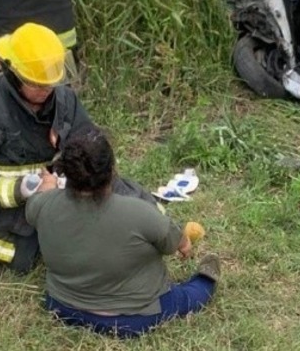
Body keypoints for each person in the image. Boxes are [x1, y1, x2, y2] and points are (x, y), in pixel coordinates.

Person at [0, 23, 156, 273]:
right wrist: (26, 188)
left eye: (51, 83)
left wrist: (76, 163)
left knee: (131, 199)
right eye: (38, 85)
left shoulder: (62, 98)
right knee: (54, 246)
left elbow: (90, 143)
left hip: (50, 194)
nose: (48, 91)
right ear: (13, 75)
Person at [26, 124, 220, 338]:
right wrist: (185, 246)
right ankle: (206, 278)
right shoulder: (139, 212)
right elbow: (177, 243)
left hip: (63, 307)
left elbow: (37, 202)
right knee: (187, 296)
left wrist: (47, 184)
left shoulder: (42, 205)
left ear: (67, 171)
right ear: (111, 171)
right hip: (132, 318)